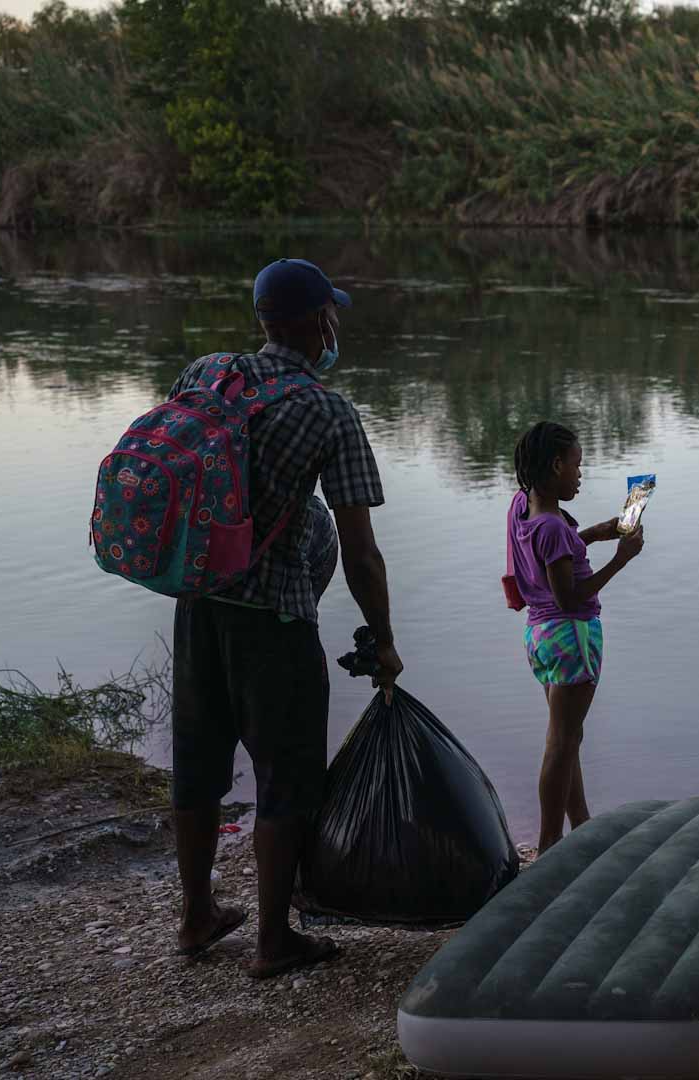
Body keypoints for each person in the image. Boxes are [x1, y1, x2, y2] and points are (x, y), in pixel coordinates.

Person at [170, 258, 403, 979]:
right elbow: (361, 554)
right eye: (329, 313)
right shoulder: (326, 410)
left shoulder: (206, 372)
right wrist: (385, 640)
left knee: (198, 766)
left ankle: (197, 915)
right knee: (288, 776)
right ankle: (274, 941)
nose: (335, 325)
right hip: (274, 617)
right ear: (311, 323)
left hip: (197, 605)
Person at [507, 421, 645, 853]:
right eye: (576, 466)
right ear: (554, 465)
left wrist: (593, 534)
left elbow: (549, 558)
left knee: (567, 737)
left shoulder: (521, 508)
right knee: (562, 740)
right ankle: (550, 843)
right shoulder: (551, 526)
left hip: (540, 635)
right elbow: (569, 596)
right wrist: (621, 558)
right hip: (571, 636)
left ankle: (579, 822)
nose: (580, 474)